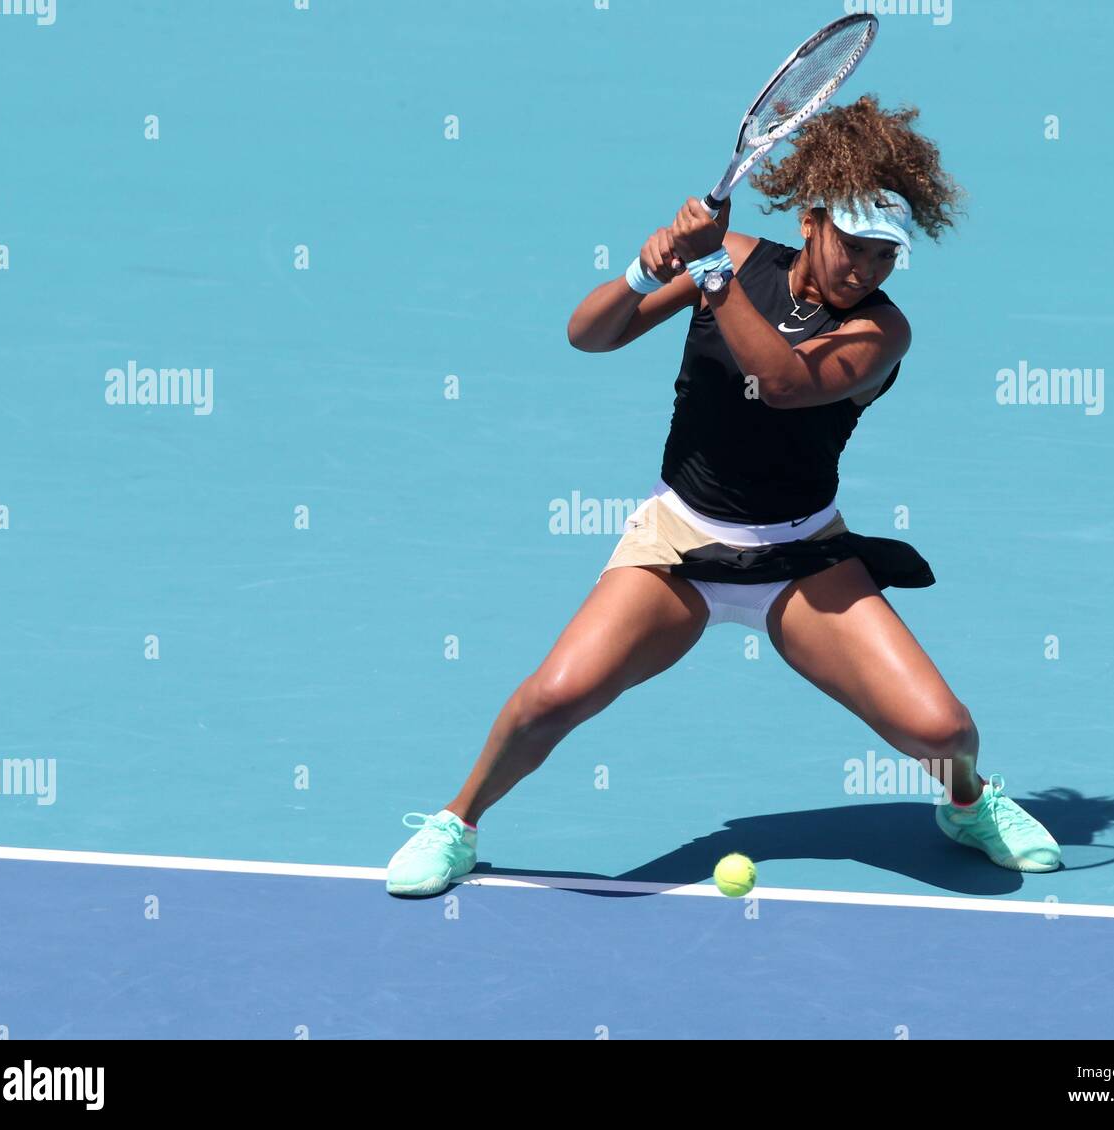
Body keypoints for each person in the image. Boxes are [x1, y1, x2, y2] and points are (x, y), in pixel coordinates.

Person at [385, 96, 1060, 897]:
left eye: (886, 255)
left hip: (801, 558)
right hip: (678, 545)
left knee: (946, 732)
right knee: (553, 698)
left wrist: (709, 269)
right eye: (854, 245)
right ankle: (457, 822)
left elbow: (781, 383)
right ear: (811, 221)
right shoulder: (738, 258)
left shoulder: (884, 333)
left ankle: (967, 804)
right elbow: (589, 333)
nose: (867, 268)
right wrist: (649, 266)